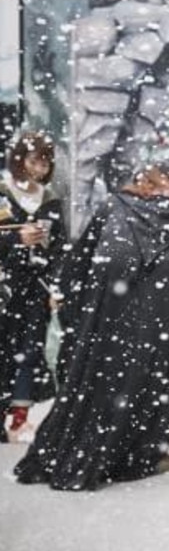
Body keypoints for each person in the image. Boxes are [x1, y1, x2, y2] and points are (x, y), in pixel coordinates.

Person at [14, 160, 169, 490]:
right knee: (152, 379)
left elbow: (77, 265)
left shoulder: (114, 206)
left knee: (98, 376)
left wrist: (75, 313)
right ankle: (139, 452)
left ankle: (74, 449)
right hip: (159, 316)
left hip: (107, 315)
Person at [0, 132, 65, 441]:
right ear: (19, 160)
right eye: (33, 161)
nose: (39, 169)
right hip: (4, 286)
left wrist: (55, 285)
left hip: (35, 287)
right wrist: (15, 240)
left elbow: (61, 246)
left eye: (44, 163)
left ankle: (19, 418)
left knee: (30, 351)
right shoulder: (2, 192)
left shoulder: (50, 199)